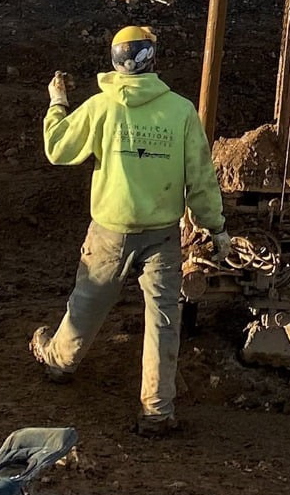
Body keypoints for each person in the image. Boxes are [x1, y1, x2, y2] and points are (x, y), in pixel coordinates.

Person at [30, 25, 229, 435]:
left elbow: (57, 149)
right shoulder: (180, 111)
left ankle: (58, 363)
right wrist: (216, 228)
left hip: (110, 230)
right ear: (152, 59)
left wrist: (57, 102)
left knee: (87, 303)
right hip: (162, 234)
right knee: (163, 320)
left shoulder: (102, 107)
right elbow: (201, 179)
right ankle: (156, 409)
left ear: (115, 61)